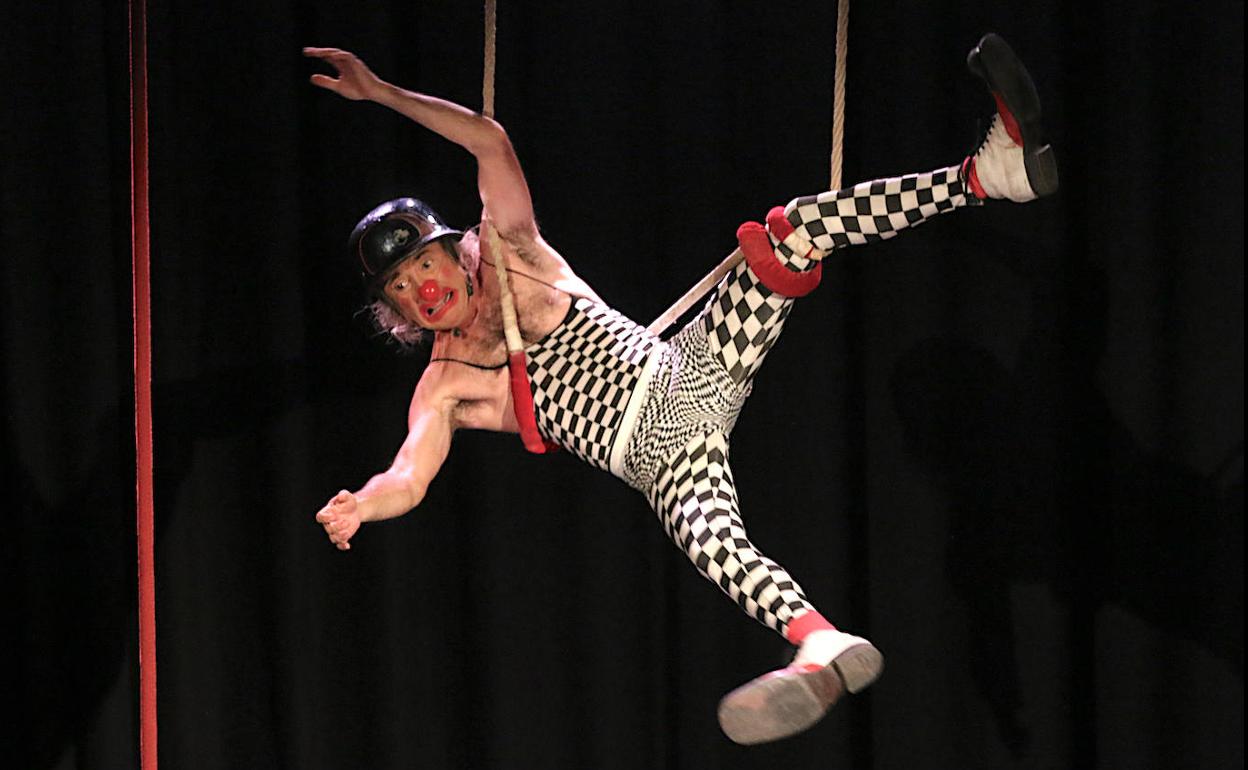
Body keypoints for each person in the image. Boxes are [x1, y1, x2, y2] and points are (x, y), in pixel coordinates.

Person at [306, 33, 1057, 745]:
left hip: (690, 367)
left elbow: (488, 140)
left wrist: (381, 92)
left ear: (449, 252)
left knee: (795, 230)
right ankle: (820, 643)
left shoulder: (512, 251)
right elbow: (409, 474)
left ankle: (986, 178)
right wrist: (362, 505)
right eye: (401, 288)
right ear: (395, 311)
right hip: (660, 460)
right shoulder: (445, 383)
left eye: (424, 265)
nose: (423, 289)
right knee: (714, 545)